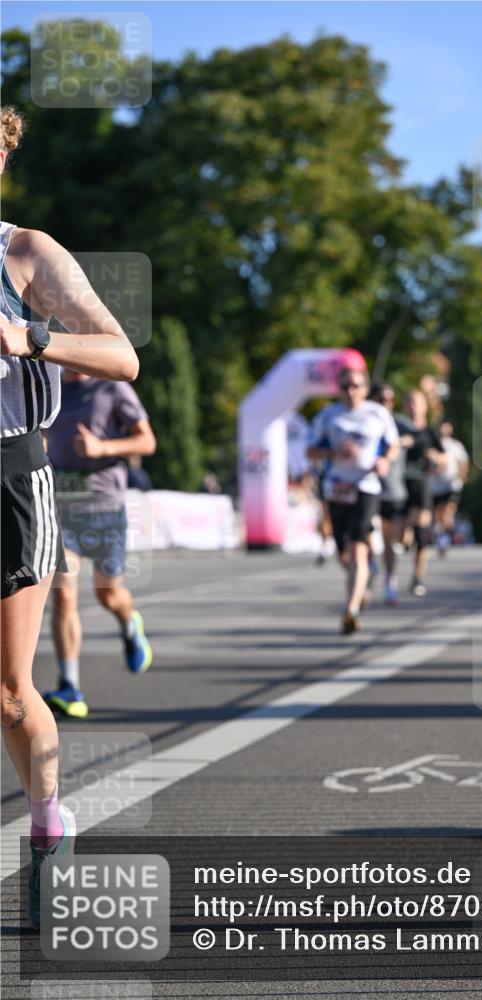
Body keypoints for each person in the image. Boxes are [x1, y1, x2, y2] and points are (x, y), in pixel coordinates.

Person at [0, 106, 139, 928]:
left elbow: (120, 354)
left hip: (9, 474)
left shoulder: (24, 251)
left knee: (11, 693)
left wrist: (28, 337)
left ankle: (50, 825)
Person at [43, 372, 156, 719]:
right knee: (63, 594)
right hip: (61, 507)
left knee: (109, 595)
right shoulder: (51, 386)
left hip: (105, 508)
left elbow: (147, 442)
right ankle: (70, 686)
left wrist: (102, 448)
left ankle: (128, 623)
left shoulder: (112, 387)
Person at [307, 366, 399, 634]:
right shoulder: (328, 416)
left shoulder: (377, 413)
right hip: (336, 488)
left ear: (365, 389)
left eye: (356, 386)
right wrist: (333, 451)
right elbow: (310, 450)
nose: (350, 391)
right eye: (345, 386)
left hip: (365, 486)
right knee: (344, 553)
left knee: (358, 546)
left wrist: (385, 460)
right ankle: (363, 580)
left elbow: (393, 444)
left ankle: (351, 609)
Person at [397, 390, 445, 596]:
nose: (413, 407)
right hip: (399, 484)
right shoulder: (398, 428)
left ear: (425, 407)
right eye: (409, 402)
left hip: (421, 483)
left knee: (422, 531)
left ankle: (418, 577)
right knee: (401, 535)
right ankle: (405, 540)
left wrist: (435, 457)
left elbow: (445, 457)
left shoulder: (430, 432)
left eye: (417, 403)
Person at [371, 383, 406, 605]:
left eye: (389, 400)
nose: (385, 404)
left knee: (388, 541)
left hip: (393, 490)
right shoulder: (363, 421)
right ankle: (368, 568)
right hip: (366, 488)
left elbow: (425, 438)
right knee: (362, 539)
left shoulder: (401, 425)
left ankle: (390, 580)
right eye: (381, 399)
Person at [429, 419, 469, 555]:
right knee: (438, 514)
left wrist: (461, 476)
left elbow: (463, 462)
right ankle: (442, 536)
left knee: (448, 511)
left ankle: (445, 537)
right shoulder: (432, 443)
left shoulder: (455, 445)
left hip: (451, 484)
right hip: (435, 485)